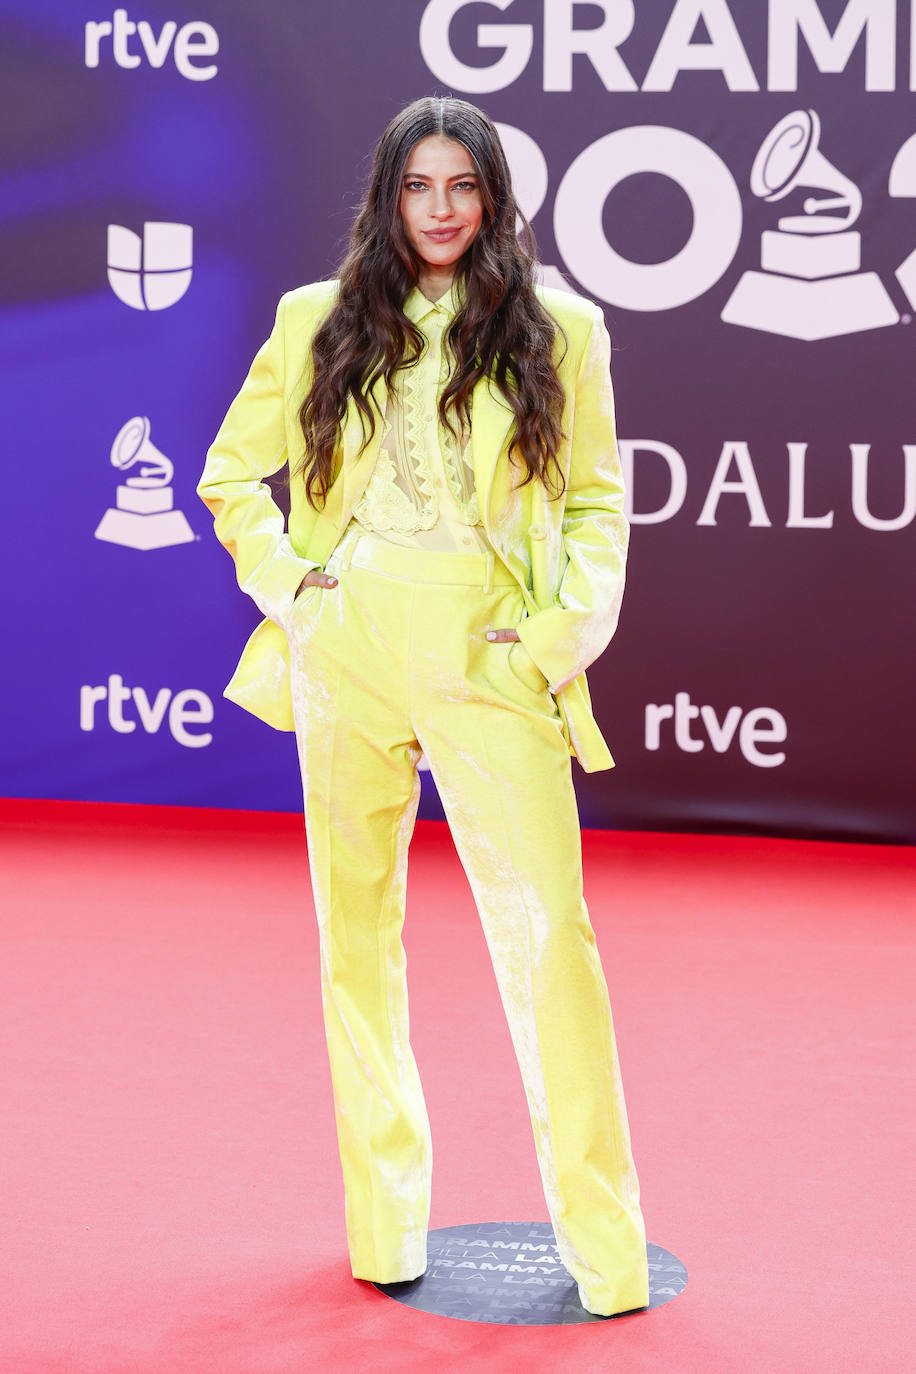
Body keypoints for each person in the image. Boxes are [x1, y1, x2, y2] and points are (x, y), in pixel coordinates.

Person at [197, 95, 649, 1318]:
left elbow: (598, 502)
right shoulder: (315, 320)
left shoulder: (562, 329)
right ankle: (384, 1224)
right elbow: (231, 473)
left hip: (489, 657)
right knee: (356, 944)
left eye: (462, 187)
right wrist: (293, 591)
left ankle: (606, 1252)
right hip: (345, 654)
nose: (440, 210)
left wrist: (557, 637)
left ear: (494, 198)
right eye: (418, 187)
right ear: (386, 198)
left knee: (551, 939)